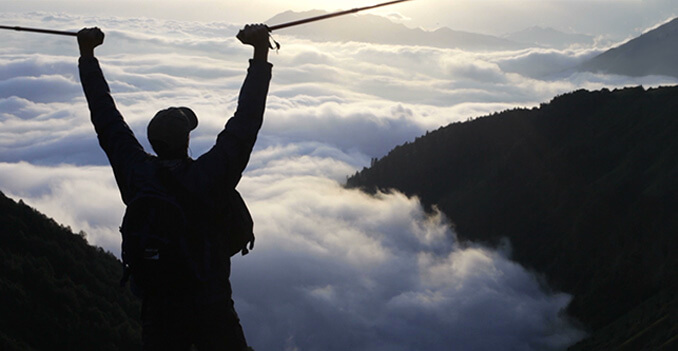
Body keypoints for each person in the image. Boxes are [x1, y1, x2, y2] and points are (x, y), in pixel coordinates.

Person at [77, 24, 272, 351]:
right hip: (212, 306)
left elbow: (105, 117)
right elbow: (247, 120)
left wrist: (87, 56)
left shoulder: (135, 174)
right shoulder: (211, 177)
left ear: (152, 142)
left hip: (159, 310)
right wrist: (260, 52)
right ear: (187, 140)